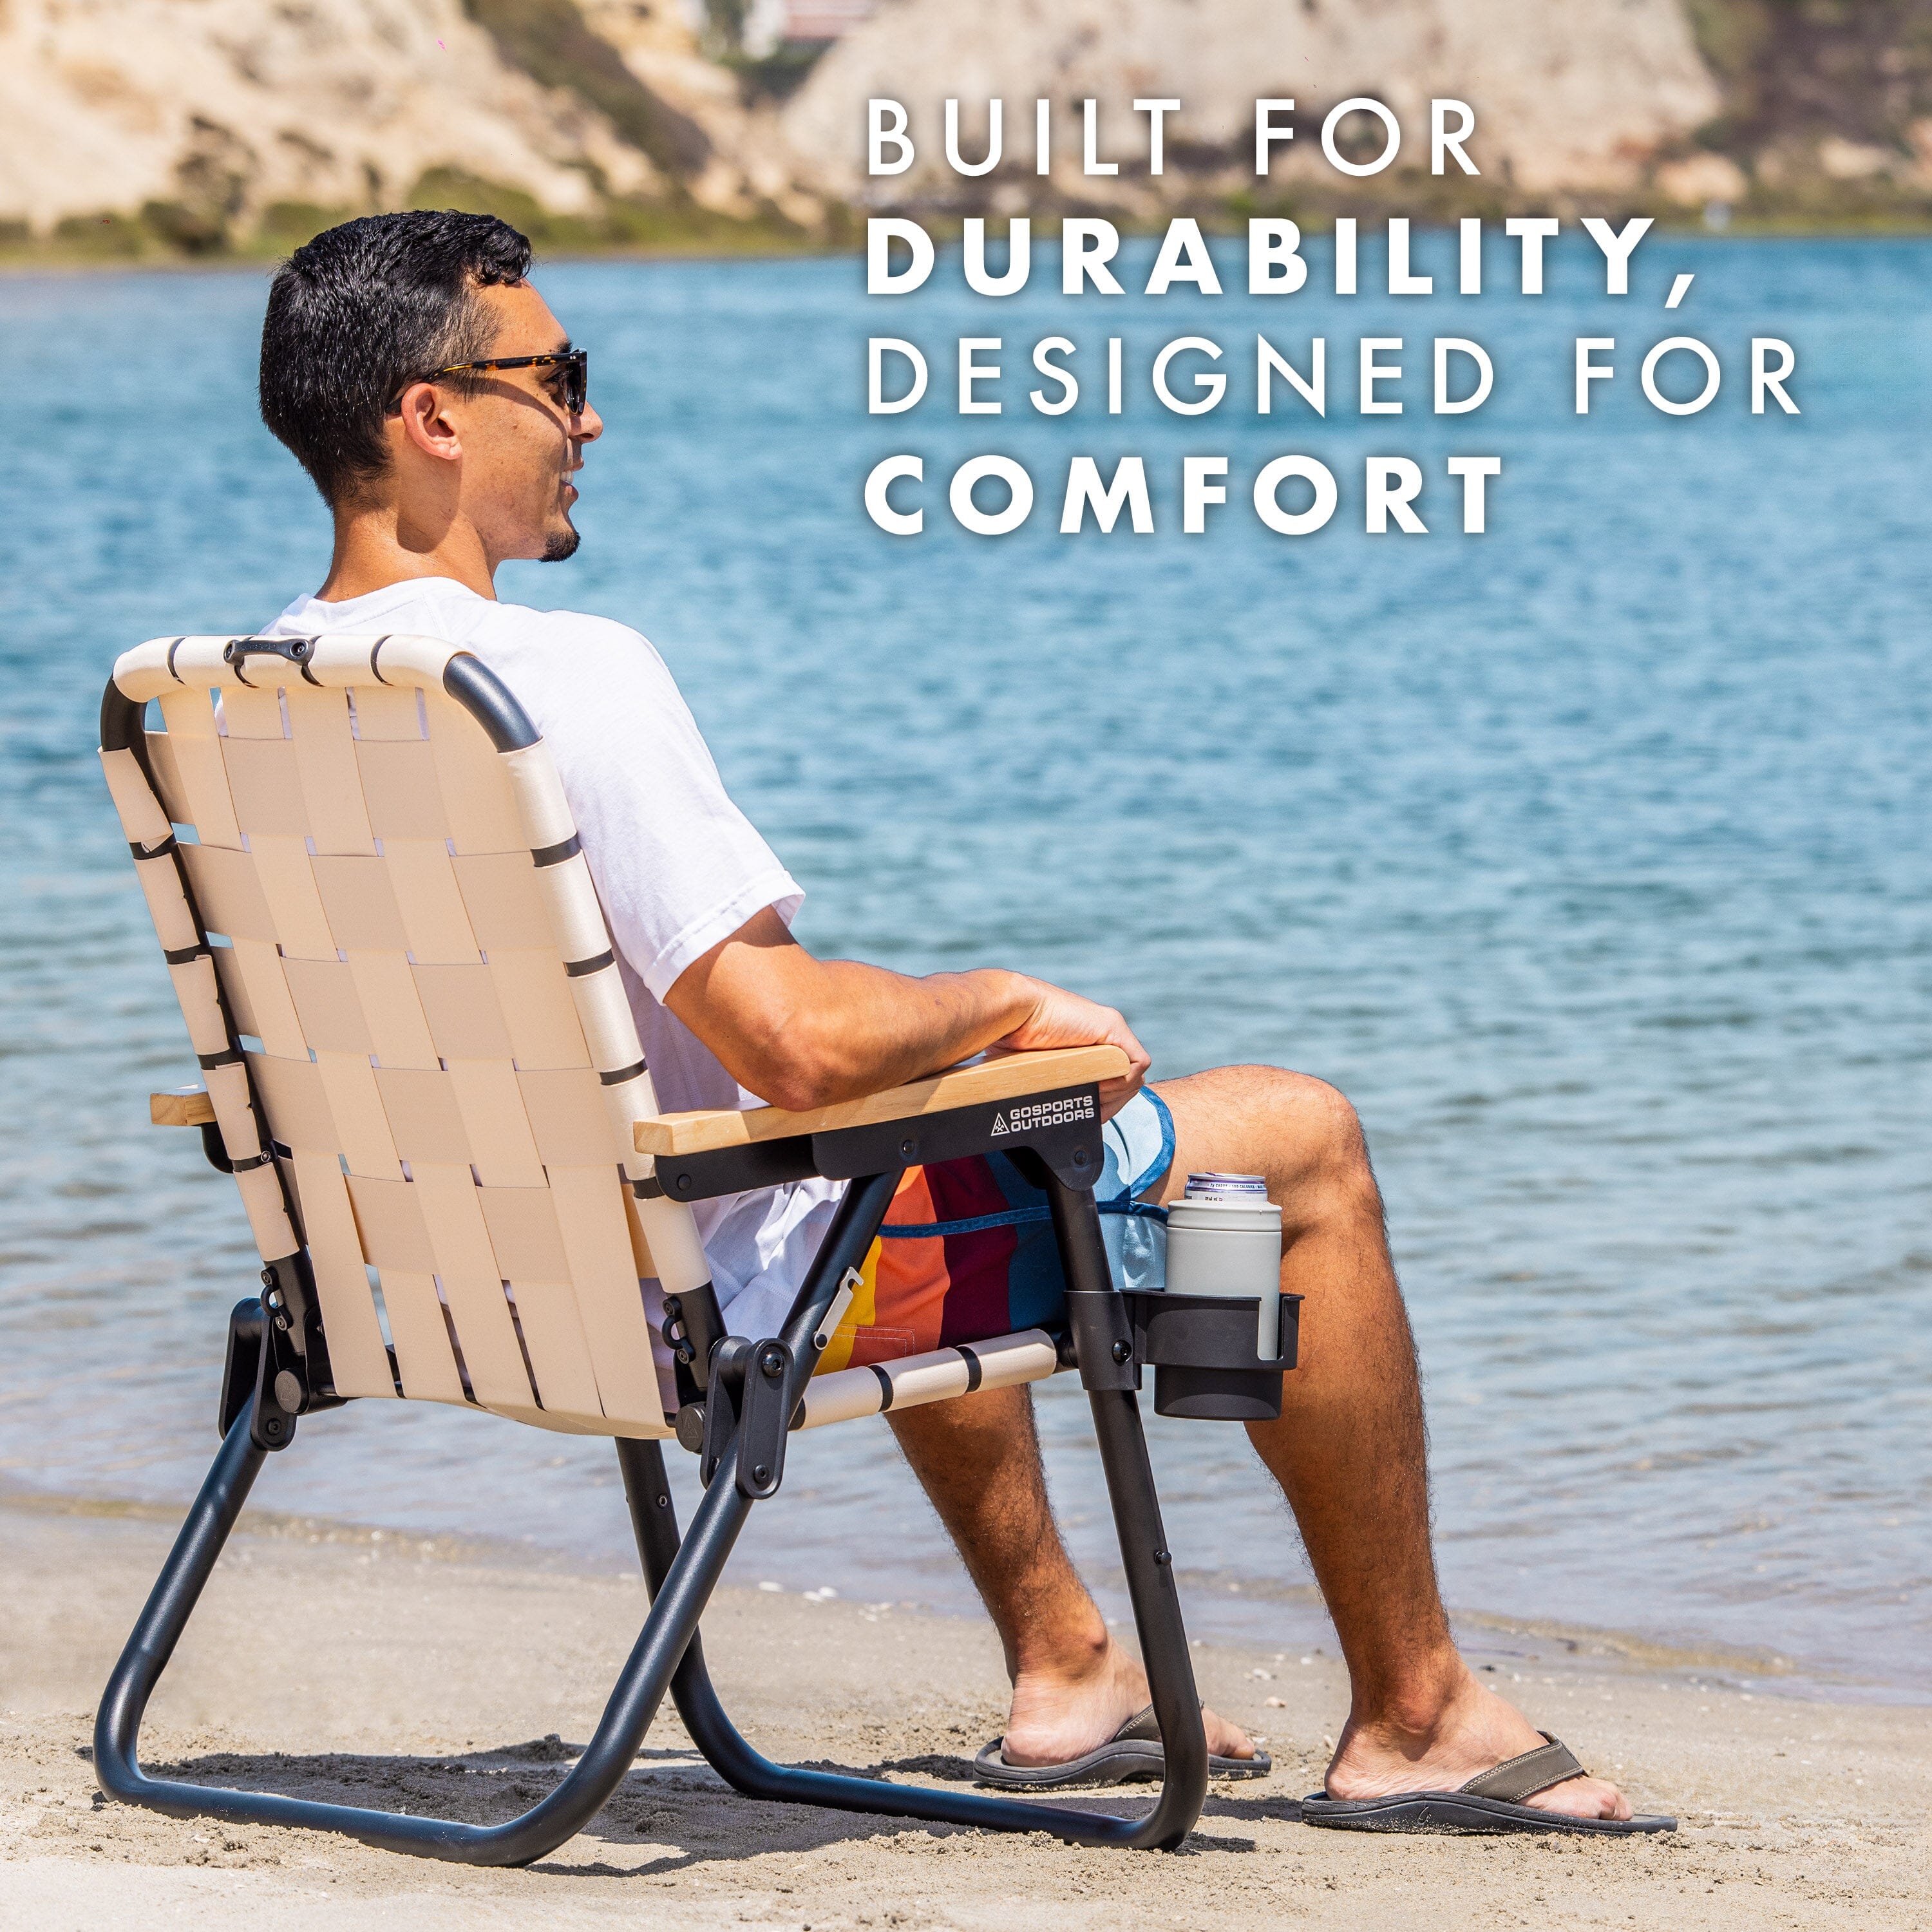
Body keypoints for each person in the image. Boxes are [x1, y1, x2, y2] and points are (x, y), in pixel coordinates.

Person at [252, 210, 1663, 1836]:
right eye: (558, 378)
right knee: (1295, 1140)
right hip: (714, 1302)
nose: (587, 420)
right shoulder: (555, 676)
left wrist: (944, 1046)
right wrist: (1004, 999)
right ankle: (1417, 1715)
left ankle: (1070, 1665)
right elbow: (792, 1048)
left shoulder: (270, 687)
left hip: (450, 1298)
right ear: (431, 416)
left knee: (936, 1099)